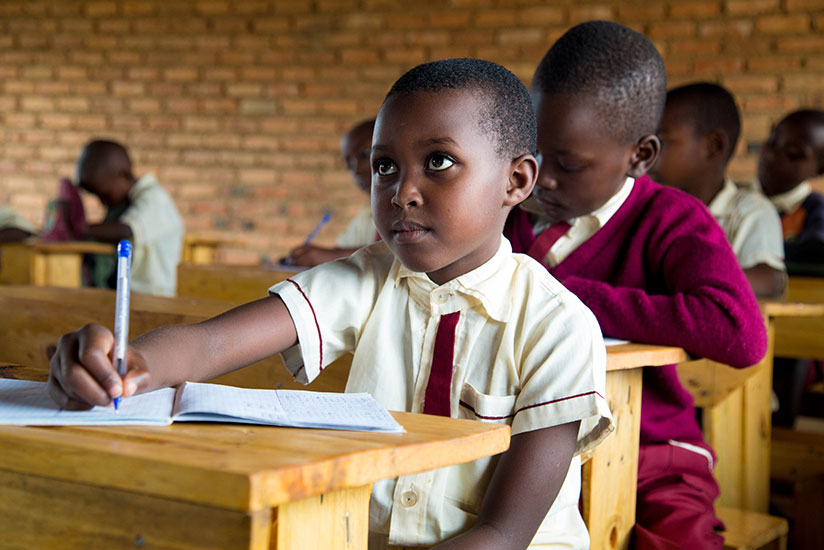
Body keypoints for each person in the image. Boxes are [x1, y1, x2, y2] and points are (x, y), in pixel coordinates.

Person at [48, 58, 613, 550]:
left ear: (516, 180)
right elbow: (209, 343)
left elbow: (505, 535)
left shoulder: (557, 326)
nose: (402, 191)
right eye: (384, 167)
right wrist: (125, 363)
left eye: (439, 162)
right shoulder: (365, 279)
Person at [504, 21, 767, 549]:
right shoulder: (508, 213)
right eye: (531, 151)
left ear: (640, 156)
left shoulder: (671, 219)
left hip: (650, 450)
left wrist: (563, 297)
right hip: (519, 448)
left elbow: (740, 333)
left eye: (569, 164)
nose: (541, 177)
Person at [649, 82, 786, 298]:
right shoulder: (650, 208)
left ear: (713, 146)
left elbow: (769, 281)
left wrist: (677, 279)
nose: (649, 154)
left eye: (662, 142)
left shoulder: (749, 211)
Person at [75, 140, 183, 296]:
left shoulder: (155, 199)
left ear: (123, 176)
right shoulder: (125, 205)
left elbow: (126, 230)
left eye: (104, 195)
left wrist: (80, 228)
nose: (102, 203)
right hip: (128, 297)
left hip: (153, 299)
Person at [285, 119, 379, 266]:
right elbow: (344, 248)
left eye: (366, 154)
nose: (357, 169)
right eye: (349, 163)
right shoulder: (368, 213)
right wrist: (309, 256)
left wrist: (331, 256)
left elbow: (401, 256)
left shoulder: (415, 205)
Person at [758, 109, 824, 275]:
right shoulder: (731, 199)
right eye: (771, 142)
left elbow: (814, 252)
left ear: (820, 169)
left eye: (792, 154)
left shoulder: (816, 212)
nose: (771, 155)